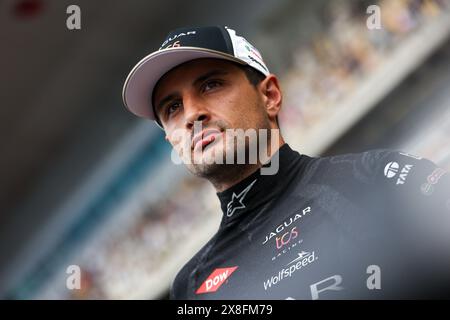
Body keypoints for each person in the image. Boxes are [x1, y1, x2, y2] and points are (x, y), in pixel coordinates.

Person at [122, 26, 450, 299]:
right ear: (171, 139)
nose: (192, 114)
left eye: (211, 84)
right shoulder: (192, 286)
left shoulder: (380, 176)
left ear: (270, 95)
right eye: (172, 108)